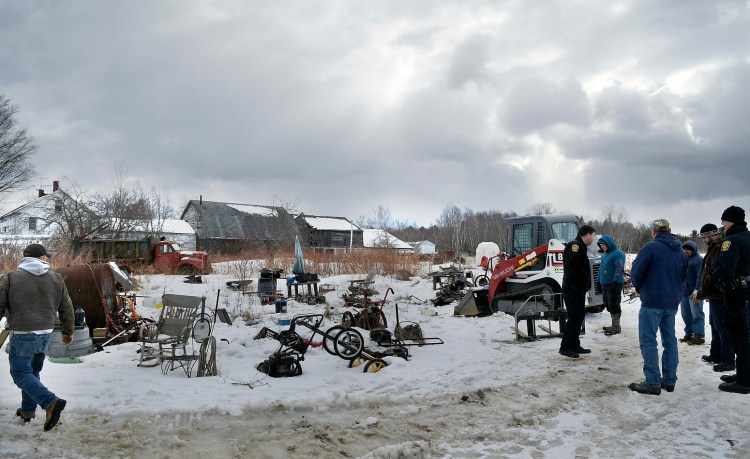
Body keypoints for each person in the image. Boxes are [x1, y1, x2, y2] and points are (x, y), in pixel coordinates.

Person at [0, 244, 74, 430]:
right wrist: (68, 331)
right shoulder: (56, 278)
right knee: (32, 371)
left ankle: (50, 402)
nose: (47, 260)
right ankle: (27, 410)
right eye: (46, 257)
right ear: (41, 258)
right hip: (45, 333)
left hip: (23, 332)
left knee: (20, 373)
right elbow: (67, 307)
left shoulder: (10, 277)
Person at [628, 219, 688, 395]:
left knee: (648, 341)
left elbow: (636, 272)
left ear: (654, 232)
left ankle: (652, 382)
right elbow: (683, 277)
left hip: (652, 301)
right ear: (669, 230)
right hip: (672, 302)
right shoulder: (681, 251)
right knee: (670, 341)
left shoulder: (650, 247)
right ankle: (669, 381)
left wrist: (641, 289)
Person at [711, 206, 750, 394]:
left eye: (724, 221)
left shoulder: (732, 241)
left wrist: (714, 273)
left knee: (740, 337)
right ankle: (745, 373)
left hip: (737, 296)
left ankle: (744, 381)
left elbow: (724, 269)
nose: (722, 225)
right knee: (746, 336)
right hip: (747, 295)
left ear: (731, 221)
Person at [695, 223, 735, 372]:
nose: (704, 241)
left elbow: (716, 272)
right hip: (714, 295)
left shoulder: (720, 248)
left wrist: (706, 284)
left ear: (711, 235)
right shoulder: (714, 248)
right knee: (714, 324)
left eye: (705, 237)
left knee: (723, 327)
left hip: (720, 295)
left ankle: (728, 359)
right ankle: (716, 354)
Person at [559, 225, 597, 358]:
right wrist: (583, 280)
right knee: (574, 316)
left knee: (579, 316)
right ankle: (565, 347)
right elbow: (574, 266)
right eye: (593, 235)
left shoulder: (580, 246)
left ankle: (575, 345)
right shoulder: (574, 246)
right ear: (586, 235)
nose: (594, 238)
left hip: (578, 288)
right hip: (572, 288)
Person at [597, 235, 626, 336]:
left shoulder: (618, 254)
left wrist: (615, 282)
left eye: (603, 245)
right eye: (601, 245)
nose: (602, 247)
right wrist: (598, 281)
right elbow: (600, 269)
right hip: (605, 284)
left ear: (609, 243)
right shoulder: (604, 255)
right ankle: (613, 325)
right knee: (608, 304)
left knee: (614, 305)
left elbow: (619, 268)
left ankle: (616, 327)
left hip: (614, 284)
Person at [679, 240, 705, 345]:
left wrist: (697, 289)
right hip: (683, 292)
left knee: (697, 314)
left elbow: (700, 276)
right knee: (686, 315)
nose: (686, 251)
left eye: (688, 249)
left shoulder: (698, 260)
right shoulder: (682, 260)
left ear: (693, 249)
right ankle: (689, 333)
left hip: (694, 293)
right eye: (684, 249)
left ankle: (699, 335)